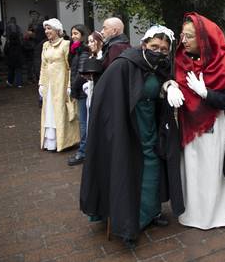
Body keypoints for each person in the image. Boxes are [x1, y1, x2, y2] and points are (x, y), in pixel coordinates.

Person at [80, 26, 183, 249]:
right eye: (154, 46)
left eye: (164, 49)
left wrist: (168, 84)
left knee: (153, 166)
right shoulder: (124, 64)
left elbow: (157, 86)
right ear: (144, 44)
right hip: (127, 129)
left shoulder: (158, 65)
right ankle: (128, 223)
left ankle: (151, 211)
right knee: (127, 171)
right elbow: (108, 98)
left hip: (150, 127)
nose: (159, 51)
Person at [166, 12, 225, 229]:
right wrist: (170, 85)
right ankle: (195, 213)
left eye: (189, 36)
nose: (184, 41)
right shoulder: (181, 60)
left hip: (218, 125)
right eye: (183, 35)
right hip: (191, 126)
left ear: (204, 38)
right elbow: (169, 79)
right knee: (194, 168)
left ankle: (218, 214)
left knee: (213, 167)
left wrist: (206, 93)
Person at [38, 18, 80, 152]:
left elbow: (70, 67)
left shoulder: (65, 44)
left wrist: (69, 85)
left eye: (49, 29)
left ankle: (64, 141)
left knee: (62, 111)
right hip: (49, 84)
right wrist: (41, 83)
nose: (47, 31)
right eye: (45, 29)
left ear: (57, 30)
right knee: (49, 111)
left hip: (61, 84)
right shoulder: (45, 45)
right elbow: (43, 66)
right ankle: (50, 141)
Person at [67, 24, 90, 166]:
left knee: (84, 123)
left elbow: (81, 72)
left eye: (76, 33)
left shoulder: (84, 51)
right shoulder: (76, 50)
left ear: (83, 35)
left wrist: (73, 88)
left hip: (82, 92)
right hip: (79, 90)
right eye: (72, 33)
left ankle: (83, 152)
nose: (73, 36)